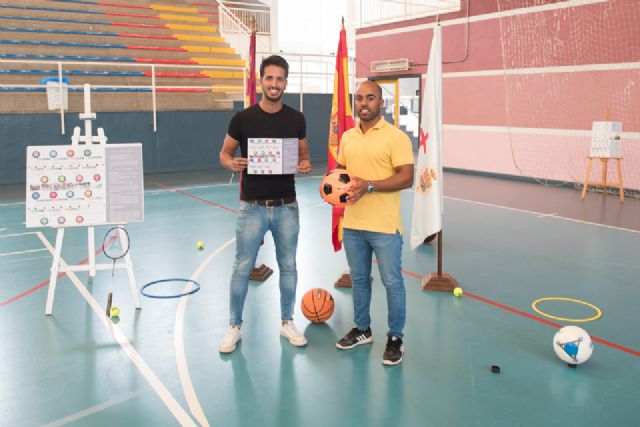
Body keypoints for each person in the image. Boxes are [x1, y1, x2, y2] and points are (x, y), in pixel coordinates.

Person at [218, 55, 312, 353]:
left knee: (289, 266)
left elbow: (304, 156)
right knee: (241, 267)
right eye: (269, 78)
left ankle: (287, 322)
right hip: (252, 207)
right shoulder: (243, 119)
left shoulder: (296, 119)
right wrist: (232, 163)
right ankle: (234, 326)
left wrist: (305, 164)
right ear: (261, 81)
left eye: (280, 79)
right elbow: (224, 154)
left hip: (287, 207)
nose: (274, 84)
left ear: (286, 82)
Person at [335, 80, 414, 365]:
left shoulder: (396, 137)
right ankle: (362, 329)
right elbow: (341, 172)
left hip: (385, 226)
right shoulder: (347, 137)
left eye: (370, 98)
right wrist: (334, 189)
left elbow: (407, 177)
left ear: (381, 103)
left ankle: (395, 338)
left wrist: (370, 185)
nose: (364, 103)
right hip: (353, 224)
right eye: (359, 98)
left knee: (392, 282)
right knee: (359, 280)